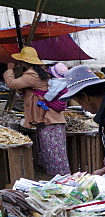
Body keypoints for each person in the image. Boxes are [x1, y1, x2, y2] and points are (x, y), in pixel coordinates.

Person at [4, 48, 70, 176]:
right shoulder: (41, 73)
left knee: (55, 158)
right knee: (52, 155)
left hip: (50, 120)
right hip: (51, 120)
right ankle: (58, 182)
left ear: (24, 62)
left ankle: (63, 184)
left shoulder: (32, 75)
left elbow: (12, 84)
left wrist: (10, 69)